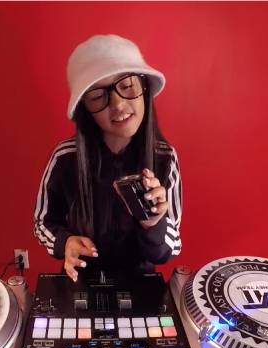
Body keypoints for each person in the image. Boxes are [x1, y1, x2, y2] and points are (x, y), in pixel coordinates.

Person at [33, 34, 182, 282]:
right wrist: (65, 242)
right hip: (79, 282)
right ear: (85, 109)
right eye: (97, 97)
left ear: (144, 88)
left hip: (140, 286)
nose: (118, 105)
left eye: (127, 86)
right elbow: (43, 221)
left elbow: (170, 247)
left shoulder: (165, 159)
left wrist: (154, 224)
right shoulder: (65, 157)